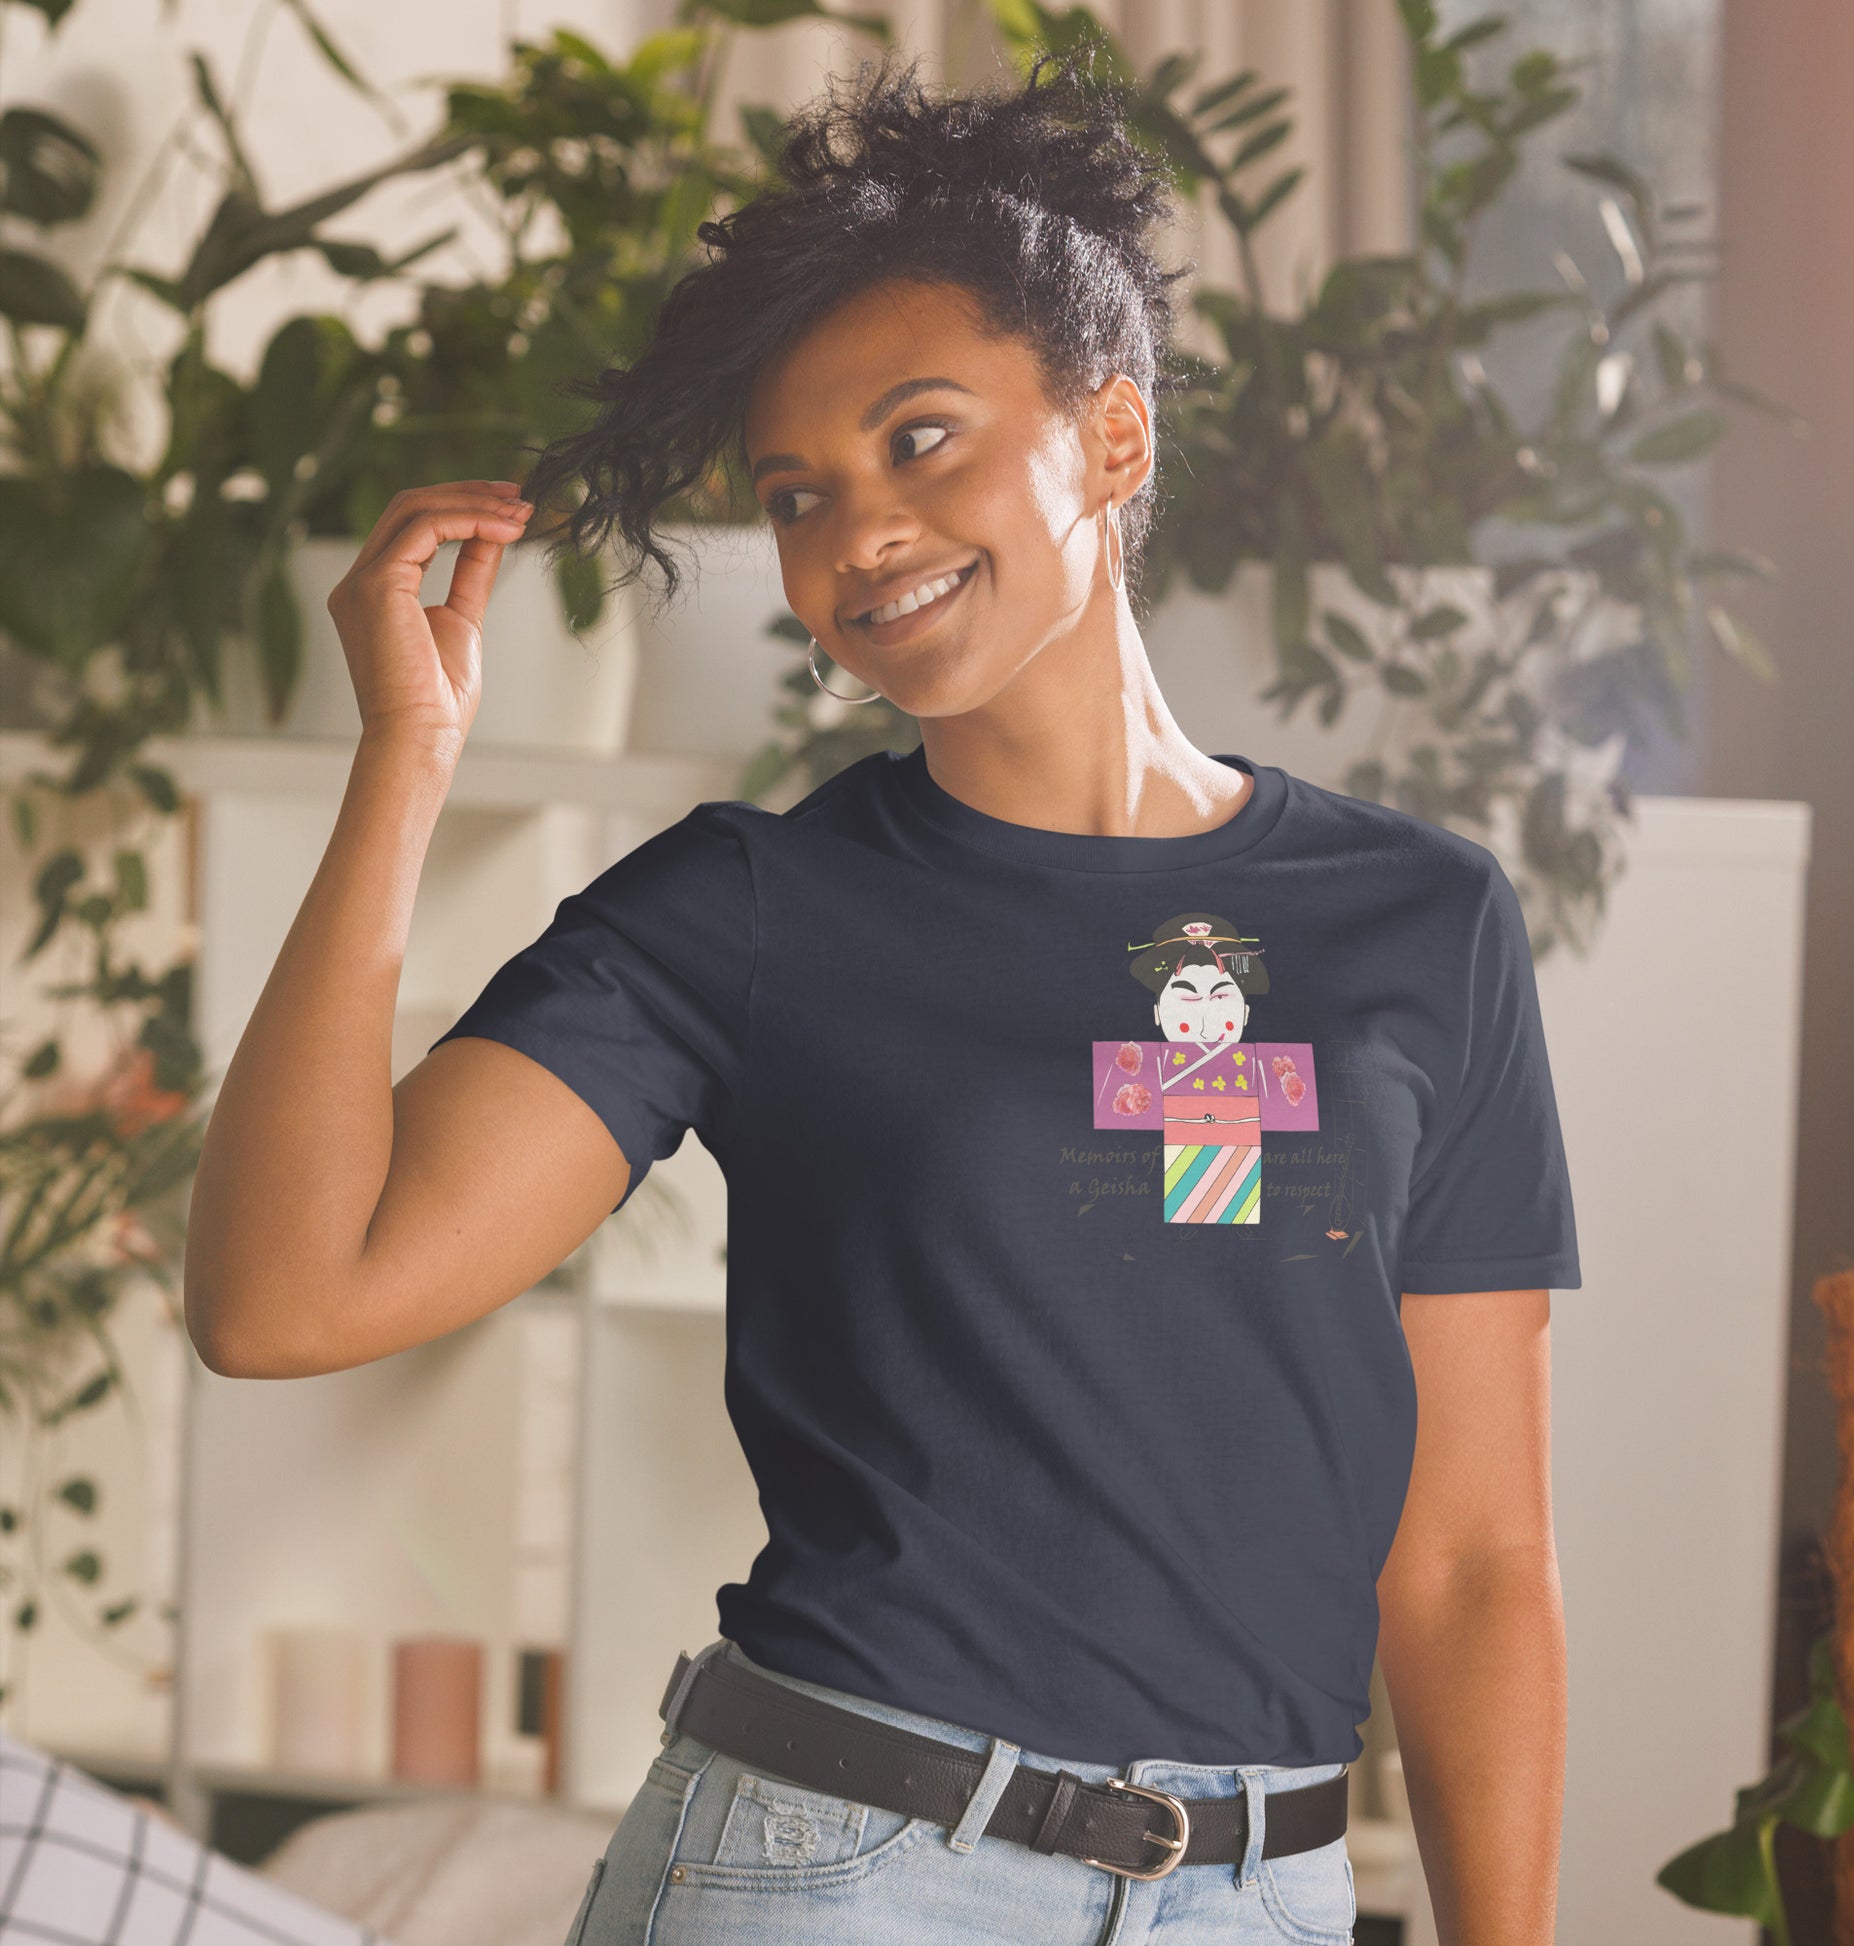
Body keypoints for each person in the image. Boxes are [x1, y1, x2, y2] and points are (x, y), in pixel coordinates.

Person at [182, 43, 1579, 1946]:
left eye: (919, 438)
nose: (856, 537)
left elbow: (1478, 1558)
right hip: (838, 1872)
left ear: (1111, 435)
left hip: (1266, 1897)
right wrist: (405, 764)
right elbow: (283, 1296)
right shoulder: (747, 912)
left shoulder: (1416, 921)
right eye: (797, 495)